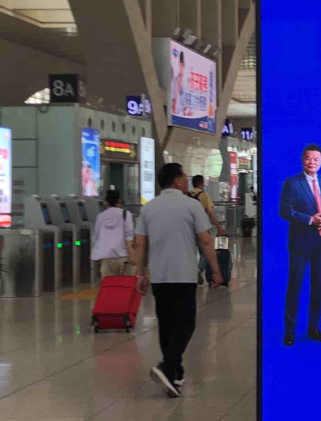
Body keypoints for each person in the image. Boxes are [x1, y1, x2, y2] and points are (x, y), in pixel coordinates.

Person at [133, 163, 222, 396]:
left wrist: (140, 273)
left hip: (159, 276)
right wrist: (216, 270)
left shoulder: (148, 208)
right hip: (183, 274)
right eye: (184, 175)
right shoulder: (192, 205)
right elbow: (205, 240)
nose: (186, 179)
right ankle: (167, 367)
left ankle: (174, 373)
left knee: (167, 323)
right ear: (177, 180)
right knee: (186, 323)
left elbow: (139, 244)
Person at [281, 143, 321, 345]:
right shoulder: (292, 184)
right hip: (300, 243)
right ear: (303, 160)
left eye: (316, 159)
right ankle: (290, 331)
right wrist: (310, 220)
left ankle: (314, 328)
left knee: (318, 287)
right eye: (308, 158)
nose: (312, 162)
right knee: (295, 286)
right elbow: (285, 211)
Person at [90, 187, 135, 279]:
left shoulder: (100, 216)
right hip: (124, 257)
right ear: (119, 201)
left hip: (106, 257)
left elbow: (96, 237)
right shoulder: (126, 214)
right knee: (125, 285)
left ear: (106, 202)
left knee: (109, 285)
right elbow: (129, 236)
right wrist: (132, 255)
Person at [188, 174, 226, 284]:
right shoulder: (205, 196)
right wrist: (219, 227)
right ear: (201, 183)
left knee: (190, 252)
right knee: (206, 252)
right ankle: (198, 270)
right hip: (202, 228)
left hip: (188, 228)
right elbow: (210, 212)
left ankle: (192, 272)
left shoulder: (188, 195)